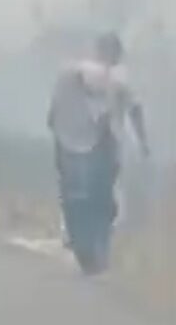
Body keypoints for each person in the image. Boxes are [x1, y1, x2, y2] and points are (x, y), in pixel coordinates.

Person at [47, 33, 150, 275]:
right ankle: (95, 248)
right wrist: (142, 142)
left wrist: (58, 131)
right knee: (100, 200)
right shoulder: (119, 78)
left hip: (71, 143)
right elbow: (135, 110)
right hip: (102, 146)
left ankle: (85, 248)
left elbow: (53, 112)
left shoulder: (68, 74)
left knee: (76, 197)